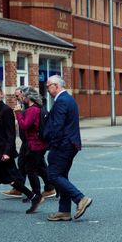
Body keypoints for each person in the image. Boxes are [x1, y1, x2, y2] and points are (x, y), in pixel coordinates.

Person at [0, 85, 38, 215]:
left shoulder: (6, 110)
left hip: (1, 153)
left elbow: (10, 134)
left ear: (2, 95)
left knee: (10, 179)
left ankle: (33, 197)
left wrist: (6, 152)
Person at [40, 75, 92, 221]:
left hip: (63, 145)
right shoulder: (68, 99)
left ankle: (80, 198)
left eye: (48, 86)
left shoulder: (62, 101)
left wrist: (52, 145)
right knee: (61, 176)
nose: (47, 90)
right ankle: (64, 211)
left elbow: (57, 126)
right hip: (70, 144)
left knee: (53, 175)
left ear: (56, 86)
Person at [13, 85, 56, 213]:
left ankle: (37, 195)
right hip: (36, 144)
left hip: (35, 145)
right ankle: (39, 194)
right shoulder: (36, 108)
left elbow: (25, 125)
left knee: (31, 170)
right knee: (34, 168)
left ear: (28, 97)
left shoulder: (33, 110)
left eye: (23, 96)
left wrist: (18, 113)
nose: (21, 98)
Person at [2, 87, 28, 199]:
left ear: (24, 95)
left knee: (36, 167)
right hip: (25, 141)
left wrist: (18, 113)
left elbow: (26, 124)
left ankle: (49, 187)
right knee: (22, 164)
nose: (16, 98)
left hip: (30, 141)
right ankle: (18, 188)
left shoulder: (28, 106)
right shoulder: (23, 105)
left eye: (17, 96)